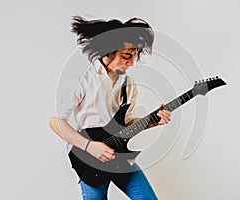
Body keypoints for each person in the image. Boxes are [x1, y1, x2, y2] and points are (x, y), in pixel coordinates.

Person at [49, 16, 171, 200]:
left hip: (119, 155)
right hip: (88, 159)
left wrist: (152, 121)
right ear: (108, 51)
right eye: (126, 56)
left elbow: (127, 122)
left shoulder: (128, 85)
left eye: (133, 57)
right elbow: (56, 122)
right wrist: (90, 146)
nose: (131, 63)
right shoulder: (81, 78)